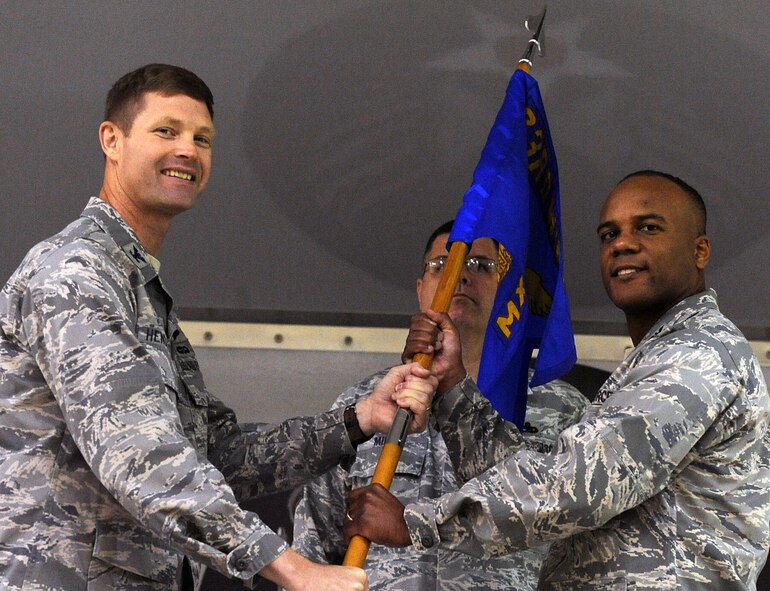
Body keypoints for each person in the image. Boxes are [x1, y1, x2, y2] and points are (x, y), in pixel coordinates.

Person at [0, 63, 438, 591]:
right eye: (166, 131)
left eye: (202, 138)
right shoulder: (75, 275)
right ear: (112, 140)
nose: (188, 150)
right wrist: (291, 568)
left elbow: (216, 456)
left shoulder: (137, 286)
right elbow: (142, 457)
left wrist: (358, 419)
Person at [345, 171, 770, 590]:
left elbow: (579, 485)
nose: (623, 243)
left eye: (648, 227)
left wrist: (415, 522)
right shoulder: (656, 357)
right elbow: (527, 479)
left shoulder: (696, 353)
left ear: (700, 250)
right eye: (609, 235)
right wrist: (454, 385)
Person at [291, 221, 589, 589]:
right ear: (420, 289)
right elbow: (313, 548)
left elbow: (582, 538)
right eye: (440, 266)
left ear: (510, 289)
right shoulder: (364, 405)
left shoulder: (562, 407)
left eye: (481, 265)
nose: (461, 276)